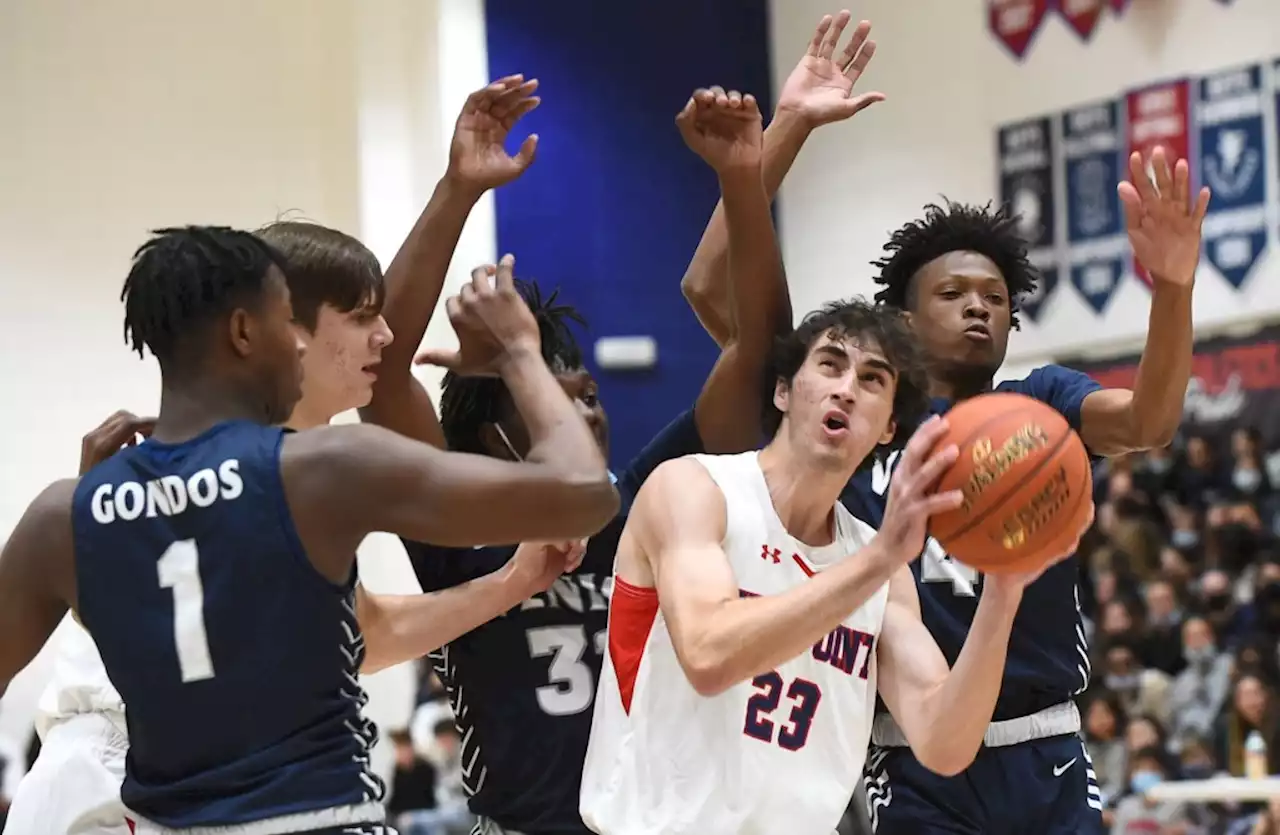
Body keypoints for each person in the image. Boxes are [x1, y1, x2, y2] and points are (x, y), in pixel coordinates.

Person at [0, 225, 618, 835]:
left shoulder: (67, 513)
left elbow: (365, 631)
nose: (298, 347)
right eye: (283, 322)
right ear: (244, 331)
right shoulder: (318, 469)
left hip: (147, 814)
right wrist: (518, 354)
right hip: (309, 816)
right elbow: (581, 495)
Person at [357, 71, 791, 835]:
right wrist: (458, 189)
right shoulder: (458, 523)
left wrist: (741, 178)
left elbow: (759, 357)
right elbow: (382, 369)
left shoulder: (647, 500)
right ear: (498, 434)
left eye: (589, 394)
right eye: (553, 395)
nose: (586, 410)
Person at [579, 294, 1087, 835]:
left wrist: (1004, 592)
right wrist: (879, 558)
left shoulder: (881, 569)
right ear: (783, 390)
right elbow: (708, 654)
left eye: (872, 380)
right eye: (830, 364)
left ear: (890, 426)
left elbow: (944, 742)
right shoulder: (695, 490)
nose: (846, 387)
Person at [843, 147, 1208, 834]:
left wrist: (1173, 286)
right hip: (915, 754)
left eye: (995, 298)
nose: (978, 306)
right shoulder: (867, 427)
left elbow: (1149, 420)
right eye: (952, 295)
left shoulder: (1040, 400)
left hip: (1047, 751)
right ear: (904, 321)